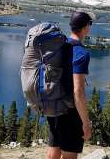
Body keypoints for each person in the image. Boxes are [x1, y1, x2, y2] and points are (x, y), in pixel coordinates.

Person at [46, 11, 93, 159]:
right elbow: (78, 91)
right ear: (85, 27)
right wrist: (85, 122)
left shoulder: (59, 46)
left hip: (52, 103)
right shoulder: (81, 53)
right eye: (89, 24)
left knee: (54, 147)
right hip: (69, 111)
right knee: (70, 153)